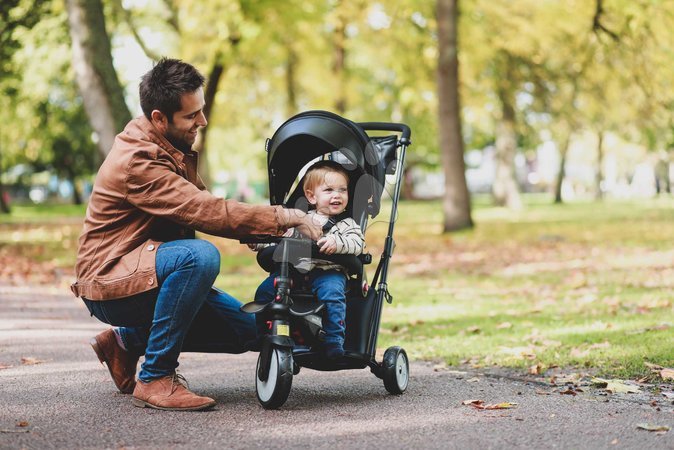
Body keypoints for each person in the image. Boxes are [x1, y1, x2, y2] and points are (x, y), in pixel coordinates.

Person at [70, 58, 322, 411]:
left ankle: (125, 344)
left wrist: (253, 227)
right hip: (111, 280)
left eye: (200, 111)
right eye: (192, 116)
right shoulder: (138, 162)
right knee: (199, 256)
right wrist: (286, 216)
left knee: (250, 329)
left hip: (146, 268)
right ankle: (156, 377)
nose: (201, 121)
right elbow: (204, 210)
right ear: (160, 117)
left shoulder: (166, 145)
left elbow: (206, 204)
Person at [251, 160, 365, 358]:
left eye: (342, 190)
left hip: (328, 270)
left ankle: (334, 340)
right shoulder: (298, 220)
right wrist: (259, 243)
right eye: (329, 190)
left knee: (332, 294)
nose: (337, 195)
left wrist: (337, 243)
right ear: (312, 196)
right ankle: (263, 335)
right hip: (295, 271)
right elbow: (280, 240)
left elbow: (357, 243)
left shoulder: (348, 224)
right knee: (264, 291)